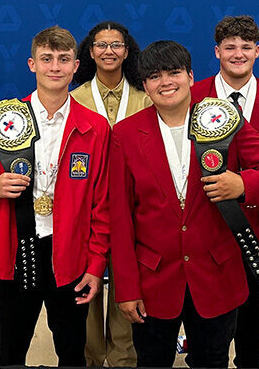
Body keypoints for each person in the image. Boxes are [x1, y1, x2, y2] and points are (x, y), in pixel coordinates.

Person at [109, 40, 259, 368]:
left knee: (212, 360)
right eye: (155, 76)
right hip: (153, 279)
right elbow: (120, 217)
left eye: (174, 72)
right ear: (144, 85)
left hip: (216, 274)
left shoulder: (222, 118)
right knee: (151, 360)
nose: (166, 82)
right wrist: (127, 288)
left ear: (191, 77)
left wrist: (242, 183)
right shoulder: (126, 134)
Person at [0, 25, 110, 367]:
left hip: (70, 256)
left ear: (76, 66)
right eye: (47, 59)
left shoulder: (96, 127)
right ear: (32, 64)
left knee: (72, 352)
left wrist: (96, 263)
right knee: (11, 351)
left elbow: (102, 202)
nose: (55, 67)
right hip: (16, 252)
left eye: (63, 59)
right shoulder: (4, 118)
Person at [190, 15, 259, 369]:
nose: (238, 54)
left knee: (253, 302)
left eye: (245, 47)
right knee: (204, 304)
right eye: (229, 47)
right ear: (217, 52)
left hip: (257, 225)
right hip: (205, 224)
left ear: (257, 51)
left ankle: (249, 362)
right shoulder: (193, 96)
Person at [70, 21, 151, 367]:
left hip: (133, 207)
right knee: (85, 285)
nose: (108, 51)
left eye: (116, 45)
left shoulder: (146, 97)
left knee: (127, 283)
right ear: (90, 52)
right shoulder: (74, 99)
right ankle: (91, 355)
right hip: (86, 207)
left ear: (127, 50)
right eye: (101, 45)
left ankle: (122, 356)